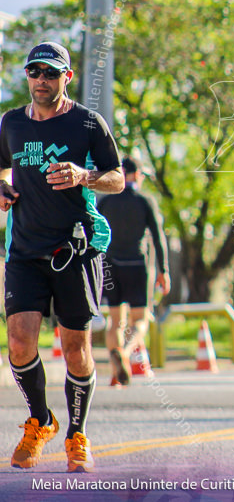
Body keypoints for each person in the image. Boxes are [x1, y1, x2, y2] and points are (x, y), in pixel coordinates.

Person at [0, 42, 124, 473]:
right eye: (34, 72)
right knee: (18, 343)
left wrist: (84, 174)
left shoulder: (88, 123)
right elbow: (1, 168)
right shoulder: (11, 123)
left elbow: (117, 178)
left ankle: (76, 436)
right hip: (24, 251)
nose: (41, 80)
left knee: (75, 348)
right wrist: (2, 187)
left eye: (50, 73)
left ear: (66, 77)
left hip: (75, 250)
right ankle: (40, 420)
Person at [98, 156, 170, 386]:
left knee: (115, 321)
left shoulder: (106, 202)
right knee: (140, 320)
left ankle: (114, 372)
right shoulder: (144, 201)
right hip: (136, 264)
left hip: (109, 265)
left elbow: (94, 231)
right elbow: (158, 237)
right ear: (137, 175)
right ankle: (126, 352)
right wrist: (164, 270)